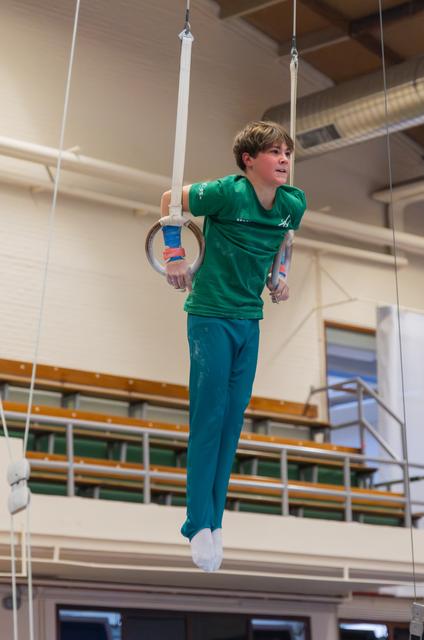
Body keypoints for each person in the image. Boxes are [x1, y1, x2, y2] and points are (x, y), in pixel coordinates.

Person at [159, 121, 306, 572]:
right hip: (210, 316)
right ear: (249, 160)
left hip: (249, 321)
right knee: (208, 420)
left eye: (287, 152)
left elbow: (284, 240)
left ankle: (215, 520)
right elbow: (169, 202)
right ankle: (197, 523)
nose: (284, 159)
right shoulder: (227, 192)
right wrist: (174, 255)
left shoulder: (293, 203)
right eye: (274, 153)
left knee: (232, 425)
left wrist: (279, 274)